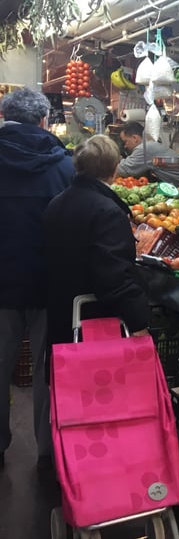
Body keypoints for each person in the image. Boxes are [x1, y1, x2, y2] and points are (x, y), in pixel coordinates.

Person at [0, 88, 74, 468]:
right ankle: (48, 451)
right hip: (50, 285)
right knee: (49, 369)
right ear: (44, 121)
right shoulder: (65, 166)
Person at [43, 135, 150, 357]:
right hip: (93, 322)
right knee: (94, 383)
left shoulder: (56, 202)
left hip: (61, 311)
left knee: (66, 384)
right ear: (114, 169)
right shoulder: (107, 212)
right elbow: (114, 276)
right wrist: (138, 320)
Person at [117, 121, 179, 187]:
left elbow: (124, 170)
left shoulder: (145, 148)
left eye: (126, 141)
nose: (125, 146)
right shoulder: (151, 144)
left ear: (135, 138)